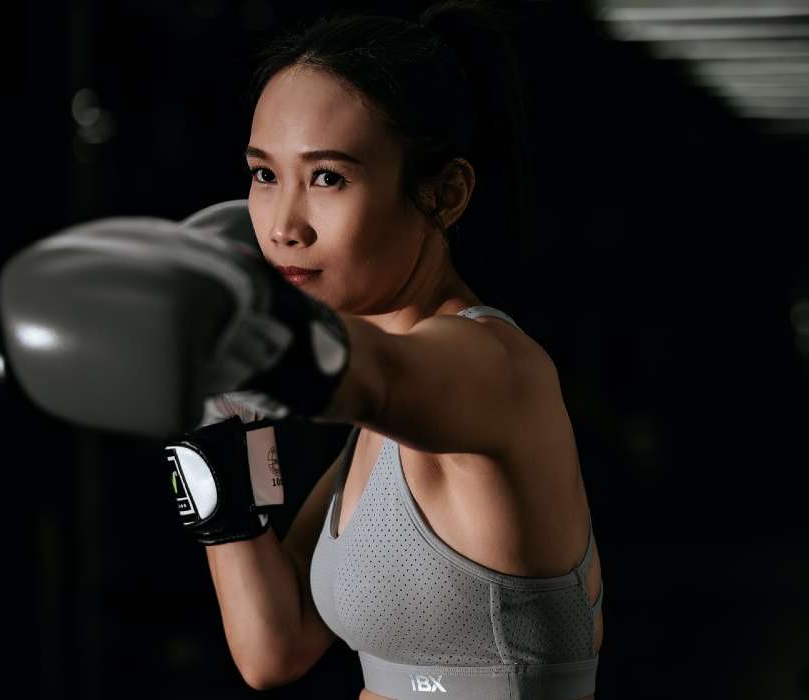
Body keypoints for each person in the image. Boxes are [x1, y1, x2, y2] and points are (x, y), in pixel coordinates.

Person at [194, 4, 604, 699]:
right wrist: (208, 428)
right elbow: (275, 646)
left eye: (327, 177)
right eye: (265, 174)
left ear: (444, 194)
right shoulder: (377, 428)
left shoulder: (488, 368)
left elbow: (376, 375)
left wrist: (220, 332)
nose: (284, 226)